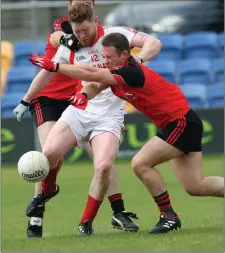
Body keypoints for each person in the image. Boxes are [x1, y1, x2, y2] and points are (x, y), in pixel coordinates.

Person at [30, 32, 224, 235]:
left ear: (124, 54)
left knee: (140, 163)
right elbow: (97, 84)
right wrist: (83, 95)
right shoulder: (115, 69)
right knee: (195, 186)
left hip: (181, 123)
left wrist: (55, 66)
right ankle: (169, 216)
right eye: (103, 56)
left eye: (109, 57)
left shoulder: (131, 71)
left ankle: (169, 216)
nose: (105, 61)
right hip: (180, 122)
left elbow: (92, 74)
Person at [14, 2, 162, 236]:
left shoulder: (114, 37)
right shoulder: (68, 31)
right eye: (77, 31)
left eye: (85, 30)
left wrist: (138, 61)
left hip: (85, 100)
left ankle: (110, 213)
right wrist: (25, 99)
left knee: (103, 163)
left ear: (95, 16)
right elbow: (54, 41)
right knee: (48, 154)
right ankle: (38, 213)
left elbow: (151, 43)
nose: (81, 35)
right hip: (54, 99)